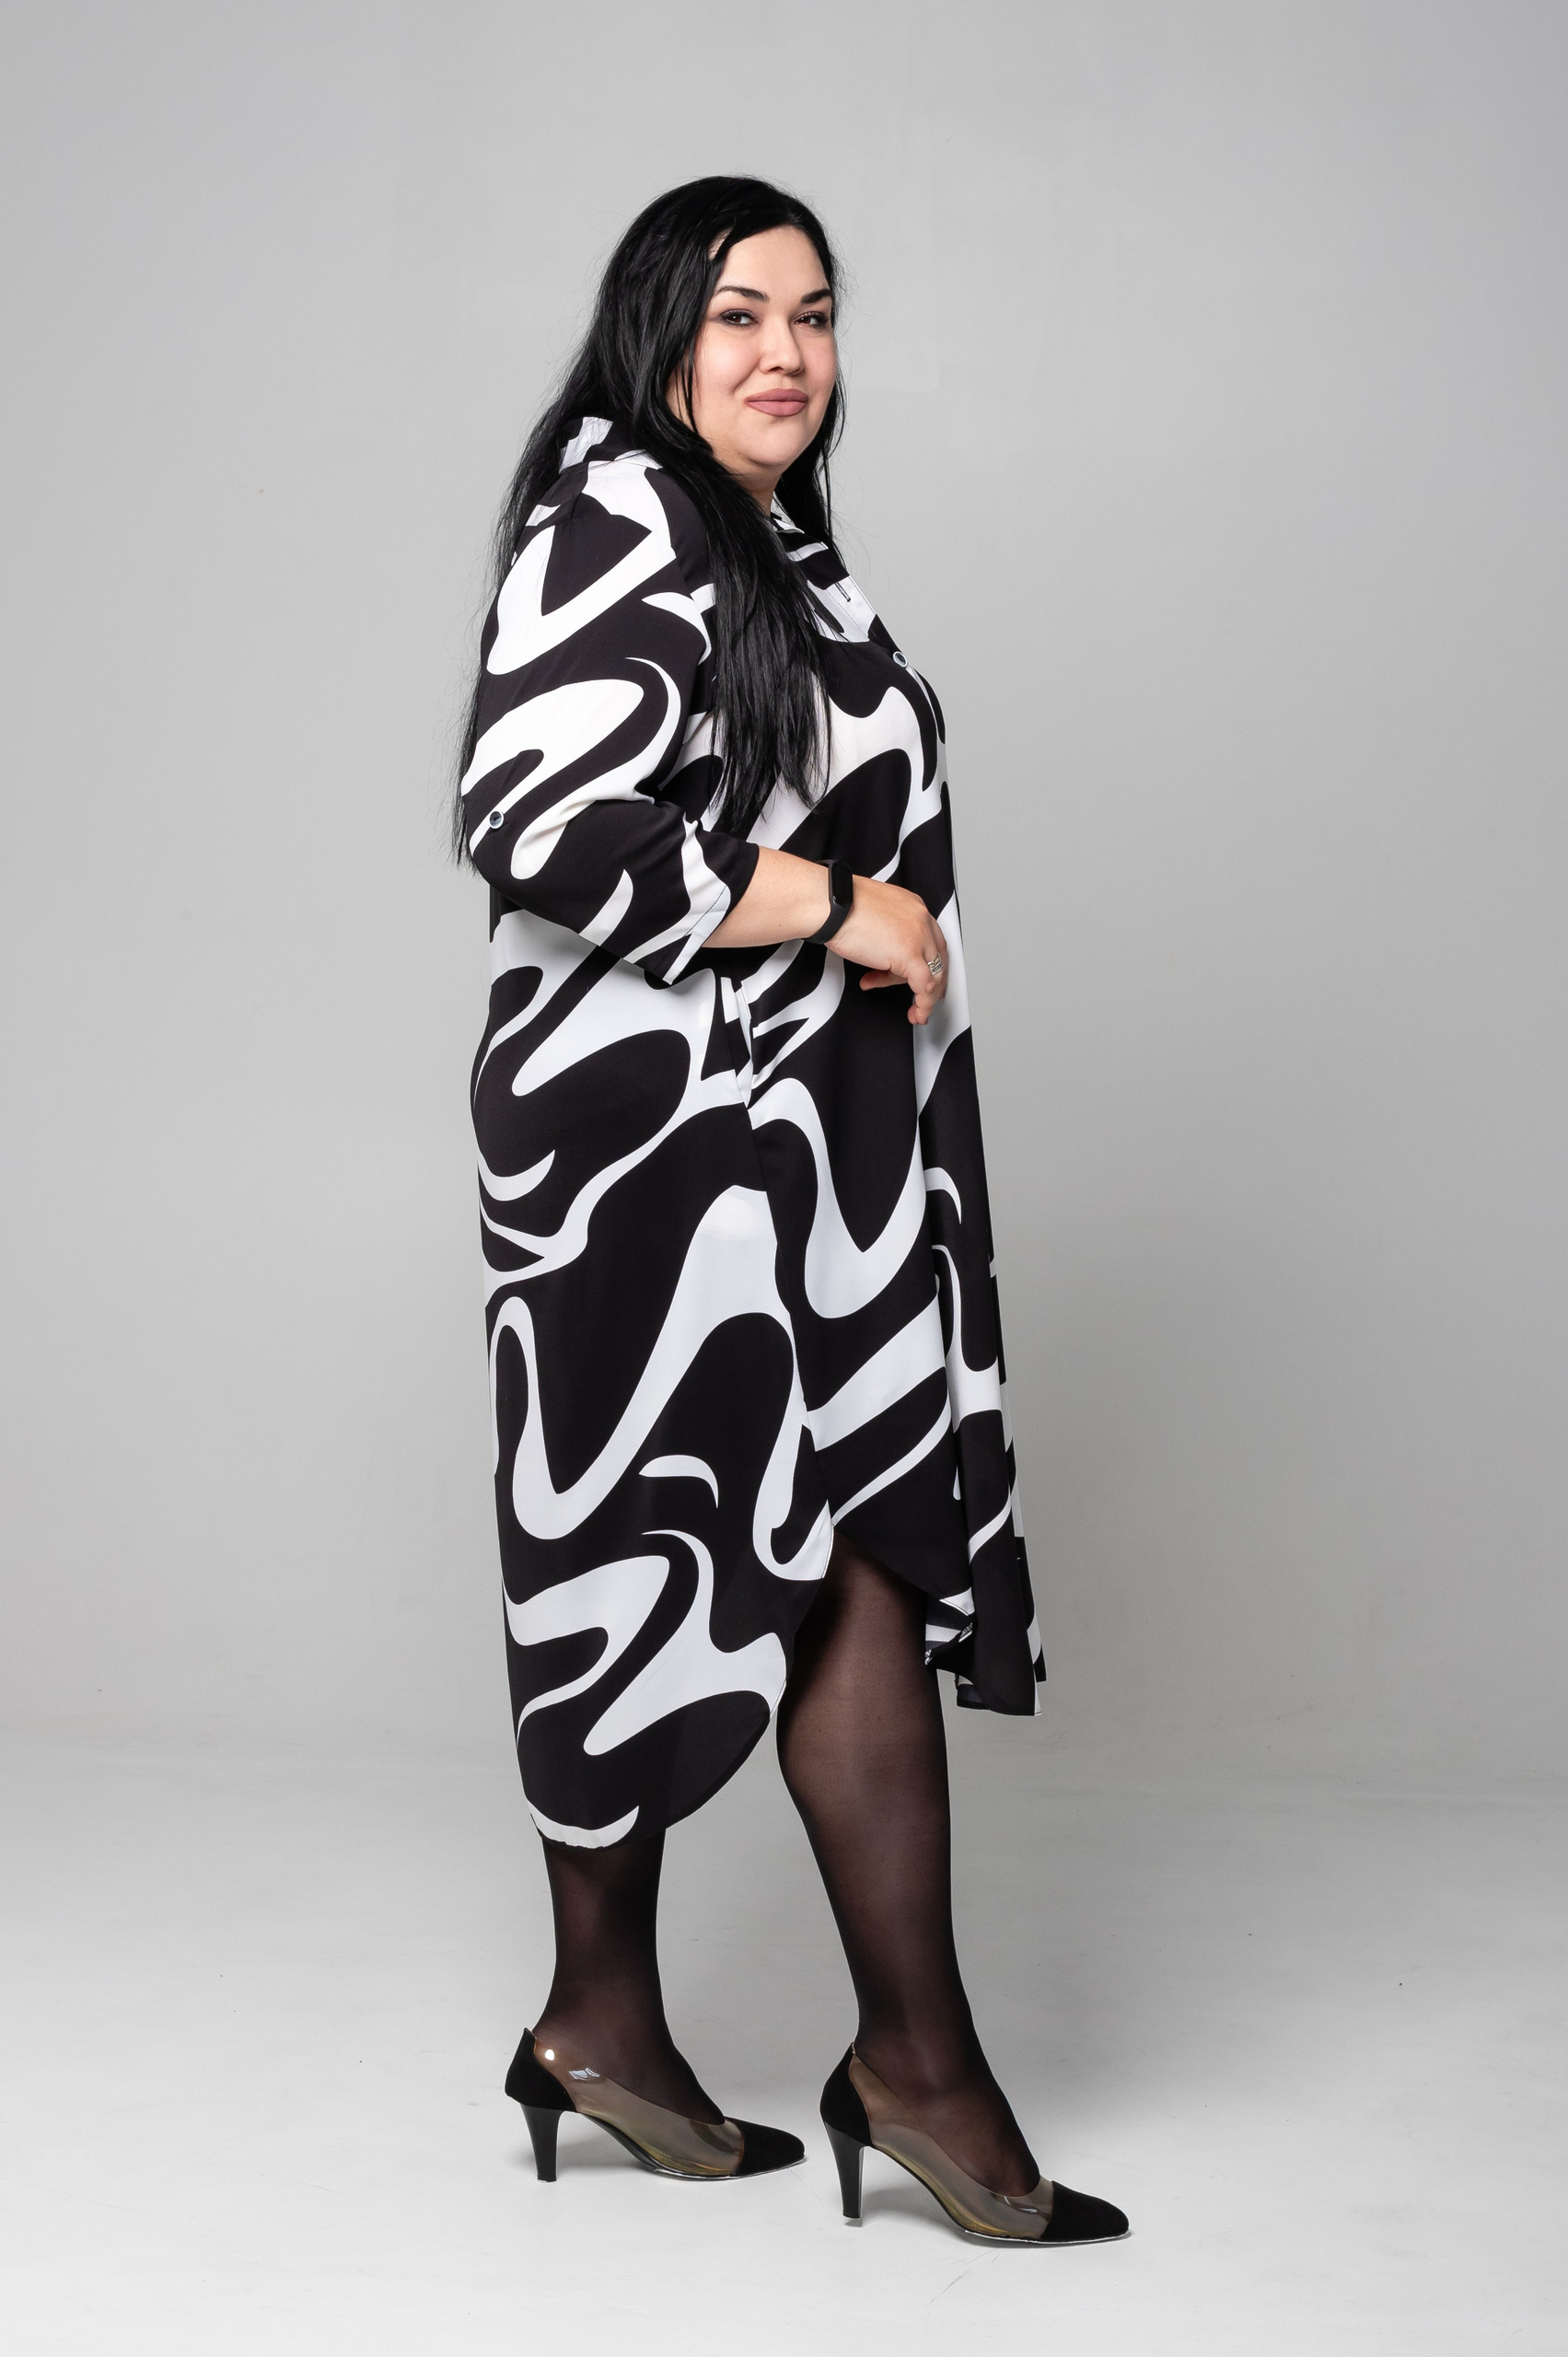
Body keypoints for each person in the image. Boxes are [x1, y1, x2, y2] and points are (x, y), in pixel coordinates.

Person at [457, 176, 1126, 2245]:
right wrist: (849, 906)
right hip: (662, 1153)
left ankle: (610, 2024)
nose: (786, 352)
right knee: (746, 1548)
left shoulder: (768, 543)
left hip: (786, 1153)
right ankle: (909, 2066)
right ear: (656, 334)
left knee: (717, 1555)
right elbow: (539, 819)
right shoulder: (622, 516)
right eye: (740, 312)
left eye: (815, 314)